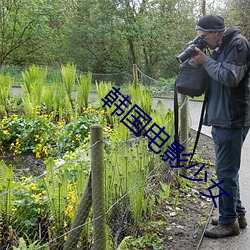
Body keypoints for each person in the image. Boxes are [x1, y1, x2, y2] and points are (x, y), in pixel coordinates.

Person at [192, 15, 250, 238]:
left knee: (226, 172)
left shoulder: (238, 44)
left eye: (204, 37)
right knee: (227, 170)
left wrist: (205, 61)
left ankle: (228, 223)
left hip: (232, 118)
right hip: (223, 117)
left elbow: (229, 77)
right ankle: (237, 214)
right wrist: (202, 60)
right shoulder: (221, 46)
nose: (203, 41)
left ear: (216, 32)